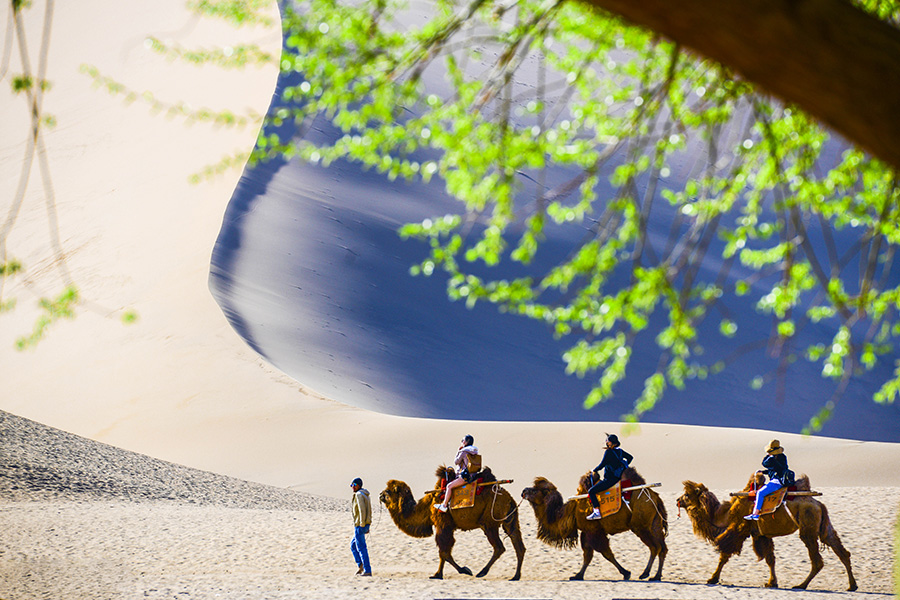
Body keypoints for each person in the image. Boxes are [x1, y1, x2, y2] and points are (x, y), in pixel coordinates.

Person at [586, 433, 633, 520]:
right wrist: (622, 466)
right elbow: (630, 457)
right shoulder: (619, 451)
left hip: (610, 479)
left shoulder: (608, 452)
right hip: (618, 477)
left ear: (612, 443)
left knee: (591, 491)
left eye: (608, 441)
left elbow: (602, 464)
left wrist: (594, 470)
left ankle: (596, 512)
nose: (607, 442)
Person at [745, 439, 792, 521]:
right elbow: (774, 470)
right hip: (777, 479)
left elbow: (765, 463)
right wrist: (763, 472)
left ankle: (755, 514)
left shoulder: (774, 459)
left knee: (760, 492)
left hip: (777, 481)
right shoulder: (781, 457)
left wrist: (769, 456)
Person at [434, 435, 479, 513]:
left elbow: (456, 462)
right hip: (473, 475)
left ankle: (444, 505)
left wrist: (459, 451)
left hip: (465, 476)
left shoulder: (464, 451)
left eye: (462, 440)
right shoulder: (474, 451)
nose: (461, 442)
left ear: (465, 442)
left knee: (449, 486)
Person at [350, 477, 372, 576]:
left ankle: (367, 570)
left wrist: (363, 524)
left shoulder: (359, 495)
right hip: (364, 524)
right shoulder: (365, 494)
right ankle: (361, 565)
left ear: (358, 485)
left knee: (361, 548)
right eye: (351, 485)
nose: (352, 487)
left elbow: (362, 510)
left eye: (354, 485)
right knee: (353, 545)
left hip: (360, 525)